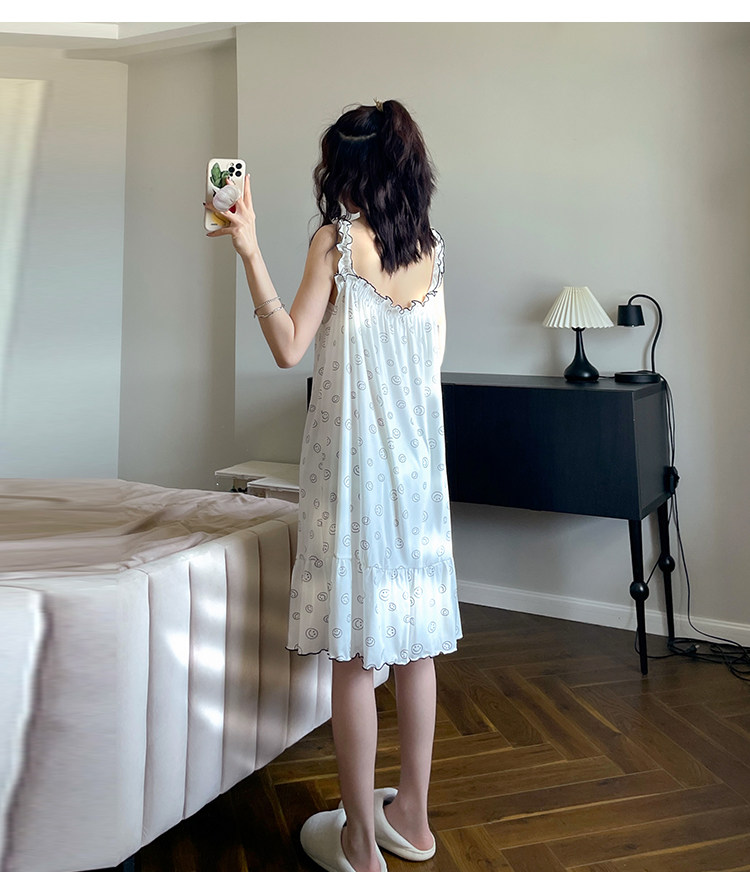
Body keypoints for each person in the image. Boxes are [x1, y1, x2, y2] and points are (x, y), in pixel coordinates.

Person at [206, 99, 462, 873]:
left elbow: (289, 348)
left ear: (347, 170)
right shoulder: (432, 249)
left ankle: (358, 844)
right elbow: (432, 365)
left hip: (356, 475)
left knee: (353, 654)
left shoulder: (337, 242)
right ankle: (412, 820)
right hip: (418, 479)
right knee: (416, 649)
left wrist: (249, 249)